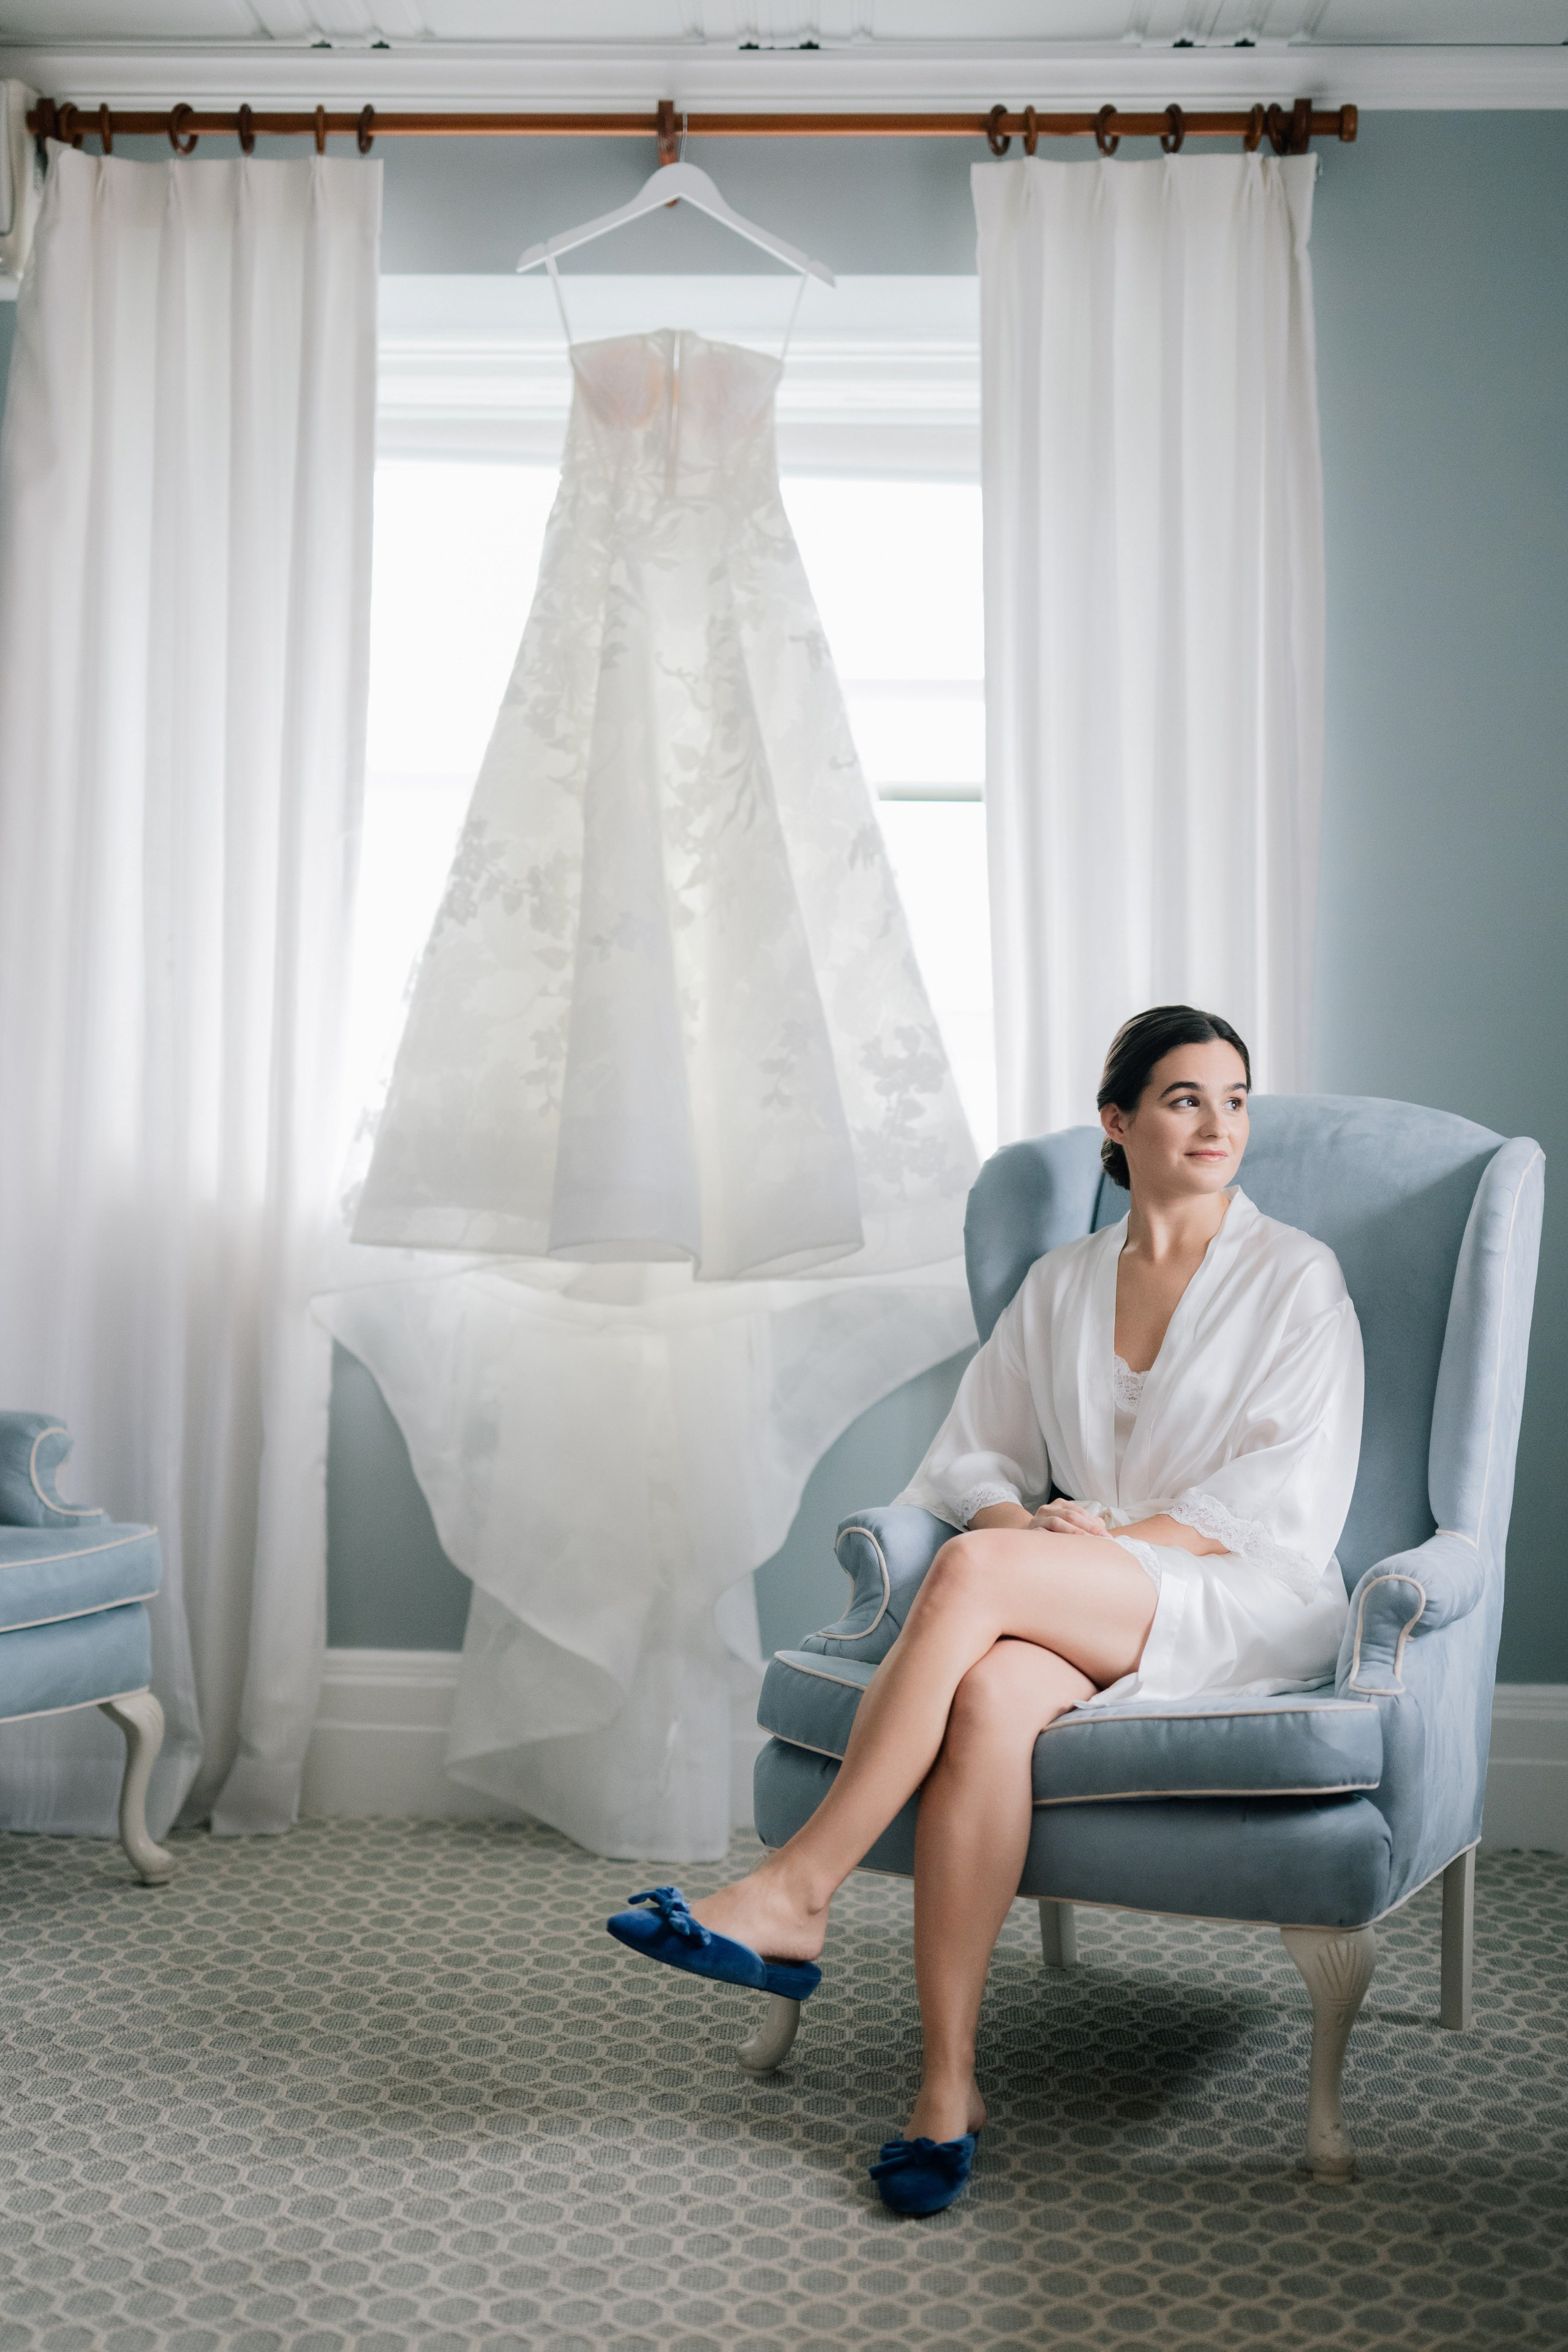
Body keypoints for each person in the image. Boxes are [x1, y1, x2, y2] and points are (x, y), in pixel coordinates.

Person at [606, 1006, 1364, 2215]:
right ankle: (946, 2088)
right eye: (1183, 1099)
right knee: (991, 1691)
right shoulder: (1061, 1285)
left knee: (967, 1579)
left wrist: (1081, 1540)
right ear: (1116, 1123)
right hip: (1083, 1579)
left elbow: (1279, 1495)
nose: (1217, 1124)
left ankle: (796, 1892)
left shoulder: (1293, 1277)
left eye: (1232, 1098)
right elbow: (971, 1464)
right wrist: (1028, 1530)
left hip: (1241, 1590)